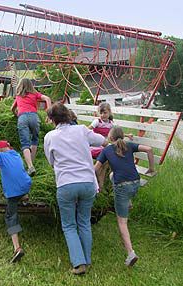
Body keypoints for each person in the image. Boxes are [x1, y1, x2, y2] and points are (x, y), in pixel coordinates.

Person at [44, 103, 107, 275]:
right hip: (87, 182)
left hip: (66, 184)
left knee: (69, 225)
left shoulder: (49, 137)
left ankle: (79, 264)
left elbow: (51, 161)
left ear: (52, 119)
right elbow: (103, 141)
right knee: (84, 222)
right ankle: (87, 259)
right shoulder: (81, 130)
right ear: (68, 115)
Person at [94, 126, 155, 267]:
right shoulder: (128, 145)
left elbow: (96, 169)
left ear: (110, 138)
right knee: (112, 175)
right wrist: (151, 168)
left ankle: (130, 253)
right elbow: (149, 149)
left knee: (122, 222)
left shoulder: (107, 150)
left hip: (122, 187)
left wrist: (97, 184)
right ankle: (128, 201)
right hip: (136, 183)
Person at [11, 78, 52, 176]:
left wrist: (15, 113)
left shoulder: (18, 96)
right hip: (34, 117)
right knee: (34, 139)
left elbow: (11, 108)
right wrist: (49, 114)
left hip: (22, 118)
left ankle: (30, 167)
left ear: (20, 86)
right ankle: (32, 163)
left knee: (25, 143)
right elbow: (47, 98)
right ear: (31, 85)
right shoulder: (35, 94)